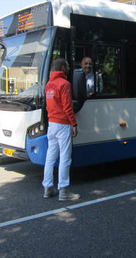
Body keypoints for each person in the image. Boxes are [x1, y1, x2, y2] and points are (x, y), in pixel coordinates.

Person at [42, 58, 81, 201]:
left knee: (50, 157)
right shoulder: (65, 84)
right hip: (63, 124)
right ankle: (63, 191)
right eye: (68, 67)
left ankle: (48, 188)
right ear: (63, 68)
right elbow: (67, 107)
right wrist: (74, 124)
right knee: (65, 157)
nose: (69, 69)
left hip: (52, 123)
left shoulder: (48, 85)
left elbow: (48, 106)